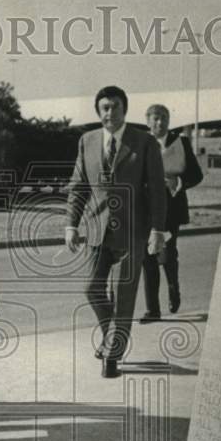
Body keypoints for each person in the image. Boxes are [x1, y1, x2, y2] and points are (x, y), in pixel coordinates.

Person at [65, 86, 167, 378]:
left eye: (116, 107)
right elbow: (79, 185)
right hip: (97, 231)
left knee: (123, 294)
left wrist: (158, 230)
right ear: (98, 111)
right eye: (105, 107)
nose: (110, 113)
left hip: (132, 232)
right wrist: (71, 223)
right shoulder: (88, 141)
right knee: (91, 288)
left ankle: (112, 355)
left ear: (125, 109)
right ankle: (113, 333)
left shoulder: (144, 143)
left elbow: (157, 190)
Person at [139, 103, 203, 321]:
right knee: (147, 258)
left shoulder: (181, 142)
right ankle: (152, 310)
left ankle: (173, 287)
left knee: (166, 254)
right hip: (145, 208)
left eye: (164, 118)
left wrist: (178, 180)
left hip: (171, 206)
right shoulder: (140, 143)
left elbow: (196, 175)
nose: (160, 122)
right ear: (147, 121)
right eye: (155, 118)